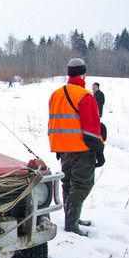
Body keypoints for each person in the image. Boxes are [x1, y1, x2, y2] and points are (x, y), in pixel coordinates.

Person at [48, 58, 105, 237]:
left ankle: (72, 217)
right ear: (84, 74)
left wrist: (58, 146)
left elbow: (54, 122)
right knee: (82, 185)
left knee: (68, 184)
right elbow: (92, 128)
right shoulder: (85, 96)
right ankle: (71, 224)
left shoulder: (56, 94)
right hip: (82, 149)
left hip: (63, 148)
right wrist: (99, 151)